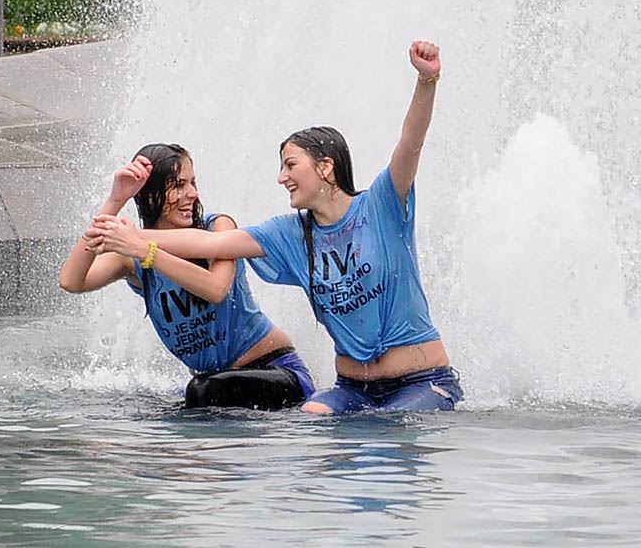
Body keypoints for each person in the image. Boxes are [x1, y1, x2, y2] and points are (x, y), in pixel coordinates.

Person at [85, 40, 462, 414]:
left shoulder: (381, 205)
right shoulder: (290, 234)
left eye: (290, 165)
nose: (281, 177)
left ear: (325, 167)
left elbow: (410, 144)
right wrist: (135, 238)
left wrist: (426, 81)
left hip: (421, 380)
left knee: (396, 423)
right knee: (312, 416)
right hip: (354, 388)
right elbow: (212, 244)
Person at [59, 143, 315, 410]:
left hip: (279, 373)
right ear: (149, 196)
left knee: (202, 391)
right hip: (216, 386)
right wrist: (115, 200)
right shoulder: (131, 259)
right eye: (179, 185)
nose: (191, 194)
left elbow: (216, 289)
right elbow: (71, 280)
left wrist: (145, 249)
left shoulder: (218, 228)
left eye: (193, 183)